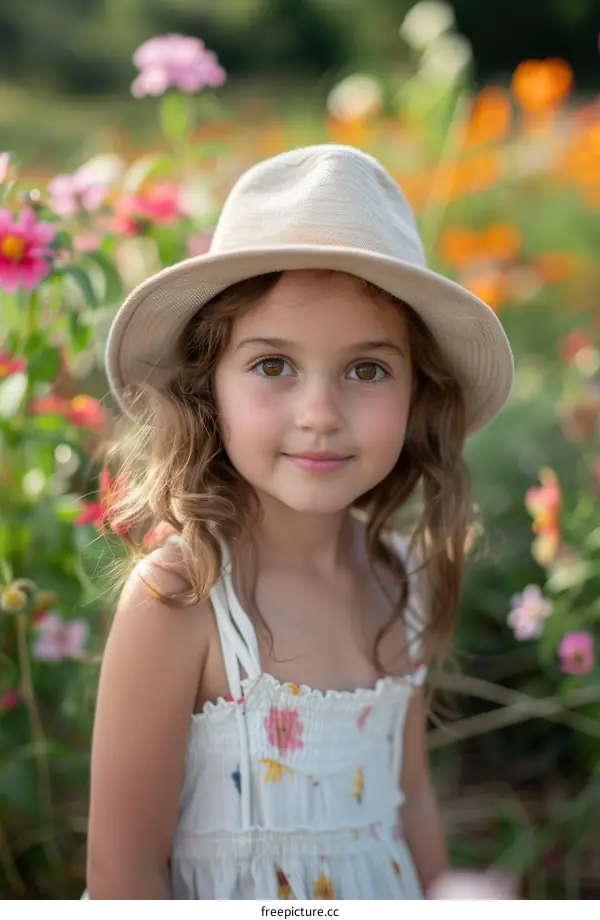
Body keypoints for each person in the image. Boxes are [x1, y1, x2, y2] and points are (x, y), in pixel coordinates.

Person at [82, 144, 514, 900]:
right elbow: (124, 875)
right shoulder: (182, 598)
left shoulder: (399, 577)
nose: (319, 415)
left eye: (367, 369)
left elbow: (408, 796)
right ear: (206, 386)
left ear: (419, 395)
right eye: (273, 365)